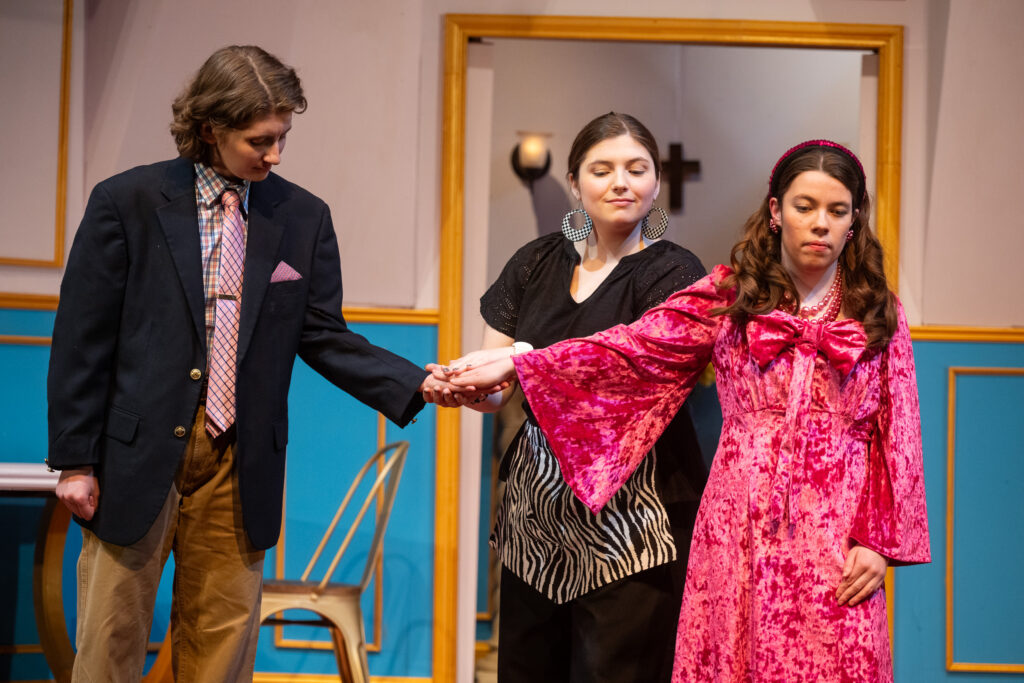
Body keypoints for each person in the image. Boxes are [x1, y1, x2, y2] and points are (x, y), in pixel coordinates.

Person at [46, 45, 463, 682]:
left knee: (222, 647)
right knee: (111, 638)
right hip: (135, 453)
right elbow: (83, 336)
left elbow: (322, 334)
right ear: (210, 127)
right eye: (259, 140)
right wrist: (76, 460)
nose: (275, 155)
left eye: (283, 137)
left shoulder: (303, 216)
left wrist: (419, 381)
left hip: (239, 461)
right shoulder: (126, 201)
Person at [441, 140, 930, 683]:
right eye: (804, 206)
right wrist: (517, 365)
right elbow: (630, 349)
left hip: (838, 535)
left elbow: (900, 437)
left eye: (837, 211)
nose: (820, 223)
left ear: (854, 219)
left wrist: (878, 543)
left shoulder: (879, 311)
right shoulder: (729, 295)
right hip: (737, 523)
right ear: (776, 211)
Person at [435, 112, 709, 683]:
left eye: (637, 169)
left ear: (656, 181)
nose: (621, 183)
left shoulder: (676, 272)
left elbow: (622, 374)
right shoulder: (535, 261)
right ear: (574, 183)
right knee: (526, 670)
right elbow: (499, 386)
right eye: (602, 170)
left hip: (635, 517)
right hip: (537, 512)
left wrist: (522, 364)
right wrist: (466, 384)